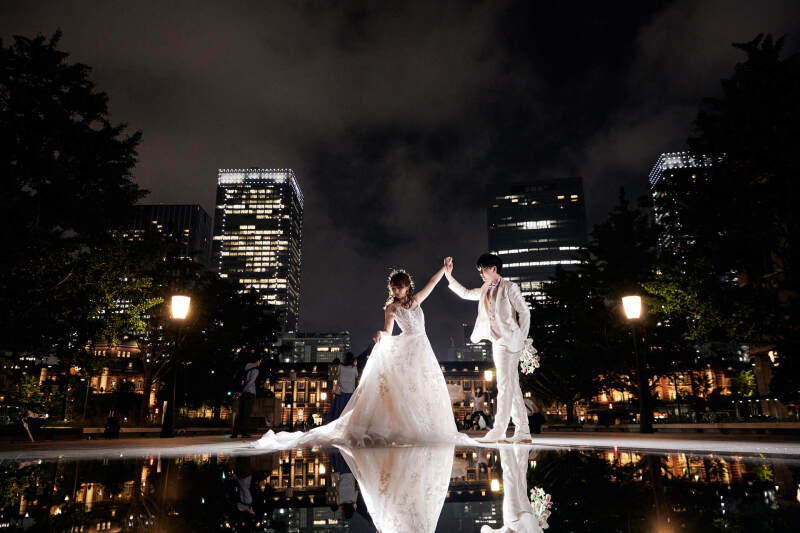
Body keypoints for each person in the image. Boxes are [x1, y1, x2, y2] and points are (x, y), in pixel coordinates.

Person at [255, 266, 473, 450]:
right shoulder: (391, 307)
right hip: (407, 346)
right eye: (393, 288)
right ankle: (405, 429)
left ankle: (423, 428)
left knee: (423, 386)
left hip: (422, 347)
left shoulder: (416, 300)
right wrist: (382, 333)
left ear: (407, 286)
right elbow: (388, 330)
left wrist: (445, 269)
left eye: (399, 287)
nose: (396, 291)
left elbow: (432, 283)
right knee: (405, 387)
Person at [445, 254, 532, 443]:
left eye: (483, 270)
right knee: (512, 386)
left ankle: (499, 430)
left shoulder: (510, 287)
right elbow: (466, 293)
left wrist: (523, 338)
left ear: (493, 268)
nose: (481, 275)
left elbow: (524, 311)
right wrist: (449, 276)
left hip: (512, 341)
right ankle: (523, 432)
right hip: (497, 342)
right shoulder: (485, 288)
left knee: (504, 384)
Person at [231, 354, 261, 439]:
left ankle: (235, 433)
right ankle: (244, 433)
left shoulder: (245, 368)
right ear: (257, 361)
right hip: (249, 393)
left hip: (242, 393)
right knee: (246, 414)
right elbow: (251, 382)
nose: (260, 363)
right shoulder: (255, 370)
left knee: (240, 413)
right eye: (259, 361)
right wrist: (243, 391)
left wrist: (240, 391)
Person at [327, 351, 359, 422]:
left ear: (345, 359)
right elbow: (356, 376)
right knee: (348, 414)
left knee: (339, 413)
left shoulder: (340, 367)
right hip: (350, 394)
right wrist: (355, 364)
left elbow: (335, 376)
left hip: (341, 393)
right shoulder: (354, 368)